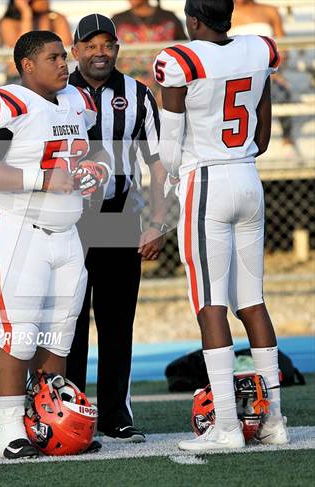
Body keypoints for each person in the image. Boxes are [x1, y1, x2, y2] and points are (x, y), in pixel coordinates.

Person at [0, 30, 106, 459]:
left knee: (59, 335)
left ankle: (47, 422)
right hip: (15, 230)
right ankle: (9, 432)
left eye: (64, 56)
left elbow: (96, 152)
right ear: (27, 65)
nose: (64, 64)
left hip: (67, 232)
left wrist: (96, 170)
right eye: (53, 58)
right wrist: (40, 179)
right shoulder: (11, 102)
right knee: (19, 334)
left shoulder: (76, 100)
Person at [154, 0, 288, 450]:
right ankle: (274, 421)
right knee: (252, 301)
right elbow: (262, 137)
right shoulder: (259, 49)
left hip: (206, 181)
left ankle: (228, 426)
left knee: (210, 304)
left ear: (193, 20)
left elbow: (170, 149)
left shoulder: (181, 59)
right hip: (248, 176)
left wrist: (172, 182)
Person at [65, 13, 169, 444]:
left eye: (107, 44)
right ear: (75, 50)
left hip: (120, 212)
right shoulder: (56, 93)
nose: (100, 53)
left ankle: (114, 415)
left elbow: (158, 164)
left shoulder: (138, 95)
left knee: (116, 321)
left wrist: (158, 222)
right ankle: (66, 412)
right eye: (90, 45)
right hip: (66, 216)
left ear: (117, 49)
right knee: (67, 321)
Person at [230, 0, 296, 149]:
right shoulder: (225, 13)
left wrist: (274, 69)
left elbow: (283, 48)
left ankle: (287, 138)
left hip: (269, 72)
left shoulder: (270, 11)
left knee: (281, 92)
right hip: (237, 75)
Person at [112, 0, 187, 90]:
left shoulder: (169, 18)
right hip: (129, 86)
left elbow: (184, 50)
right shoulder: (118, 20)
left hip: (165, 85)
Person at [0, 0, 72, 82]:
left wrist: (45, 20)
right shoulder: (8, 22)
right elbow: (21, 53)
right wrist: (26, 15)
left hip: (53, 76)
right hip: (20, 78)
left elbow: (66, 52)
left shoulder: (56, 18)